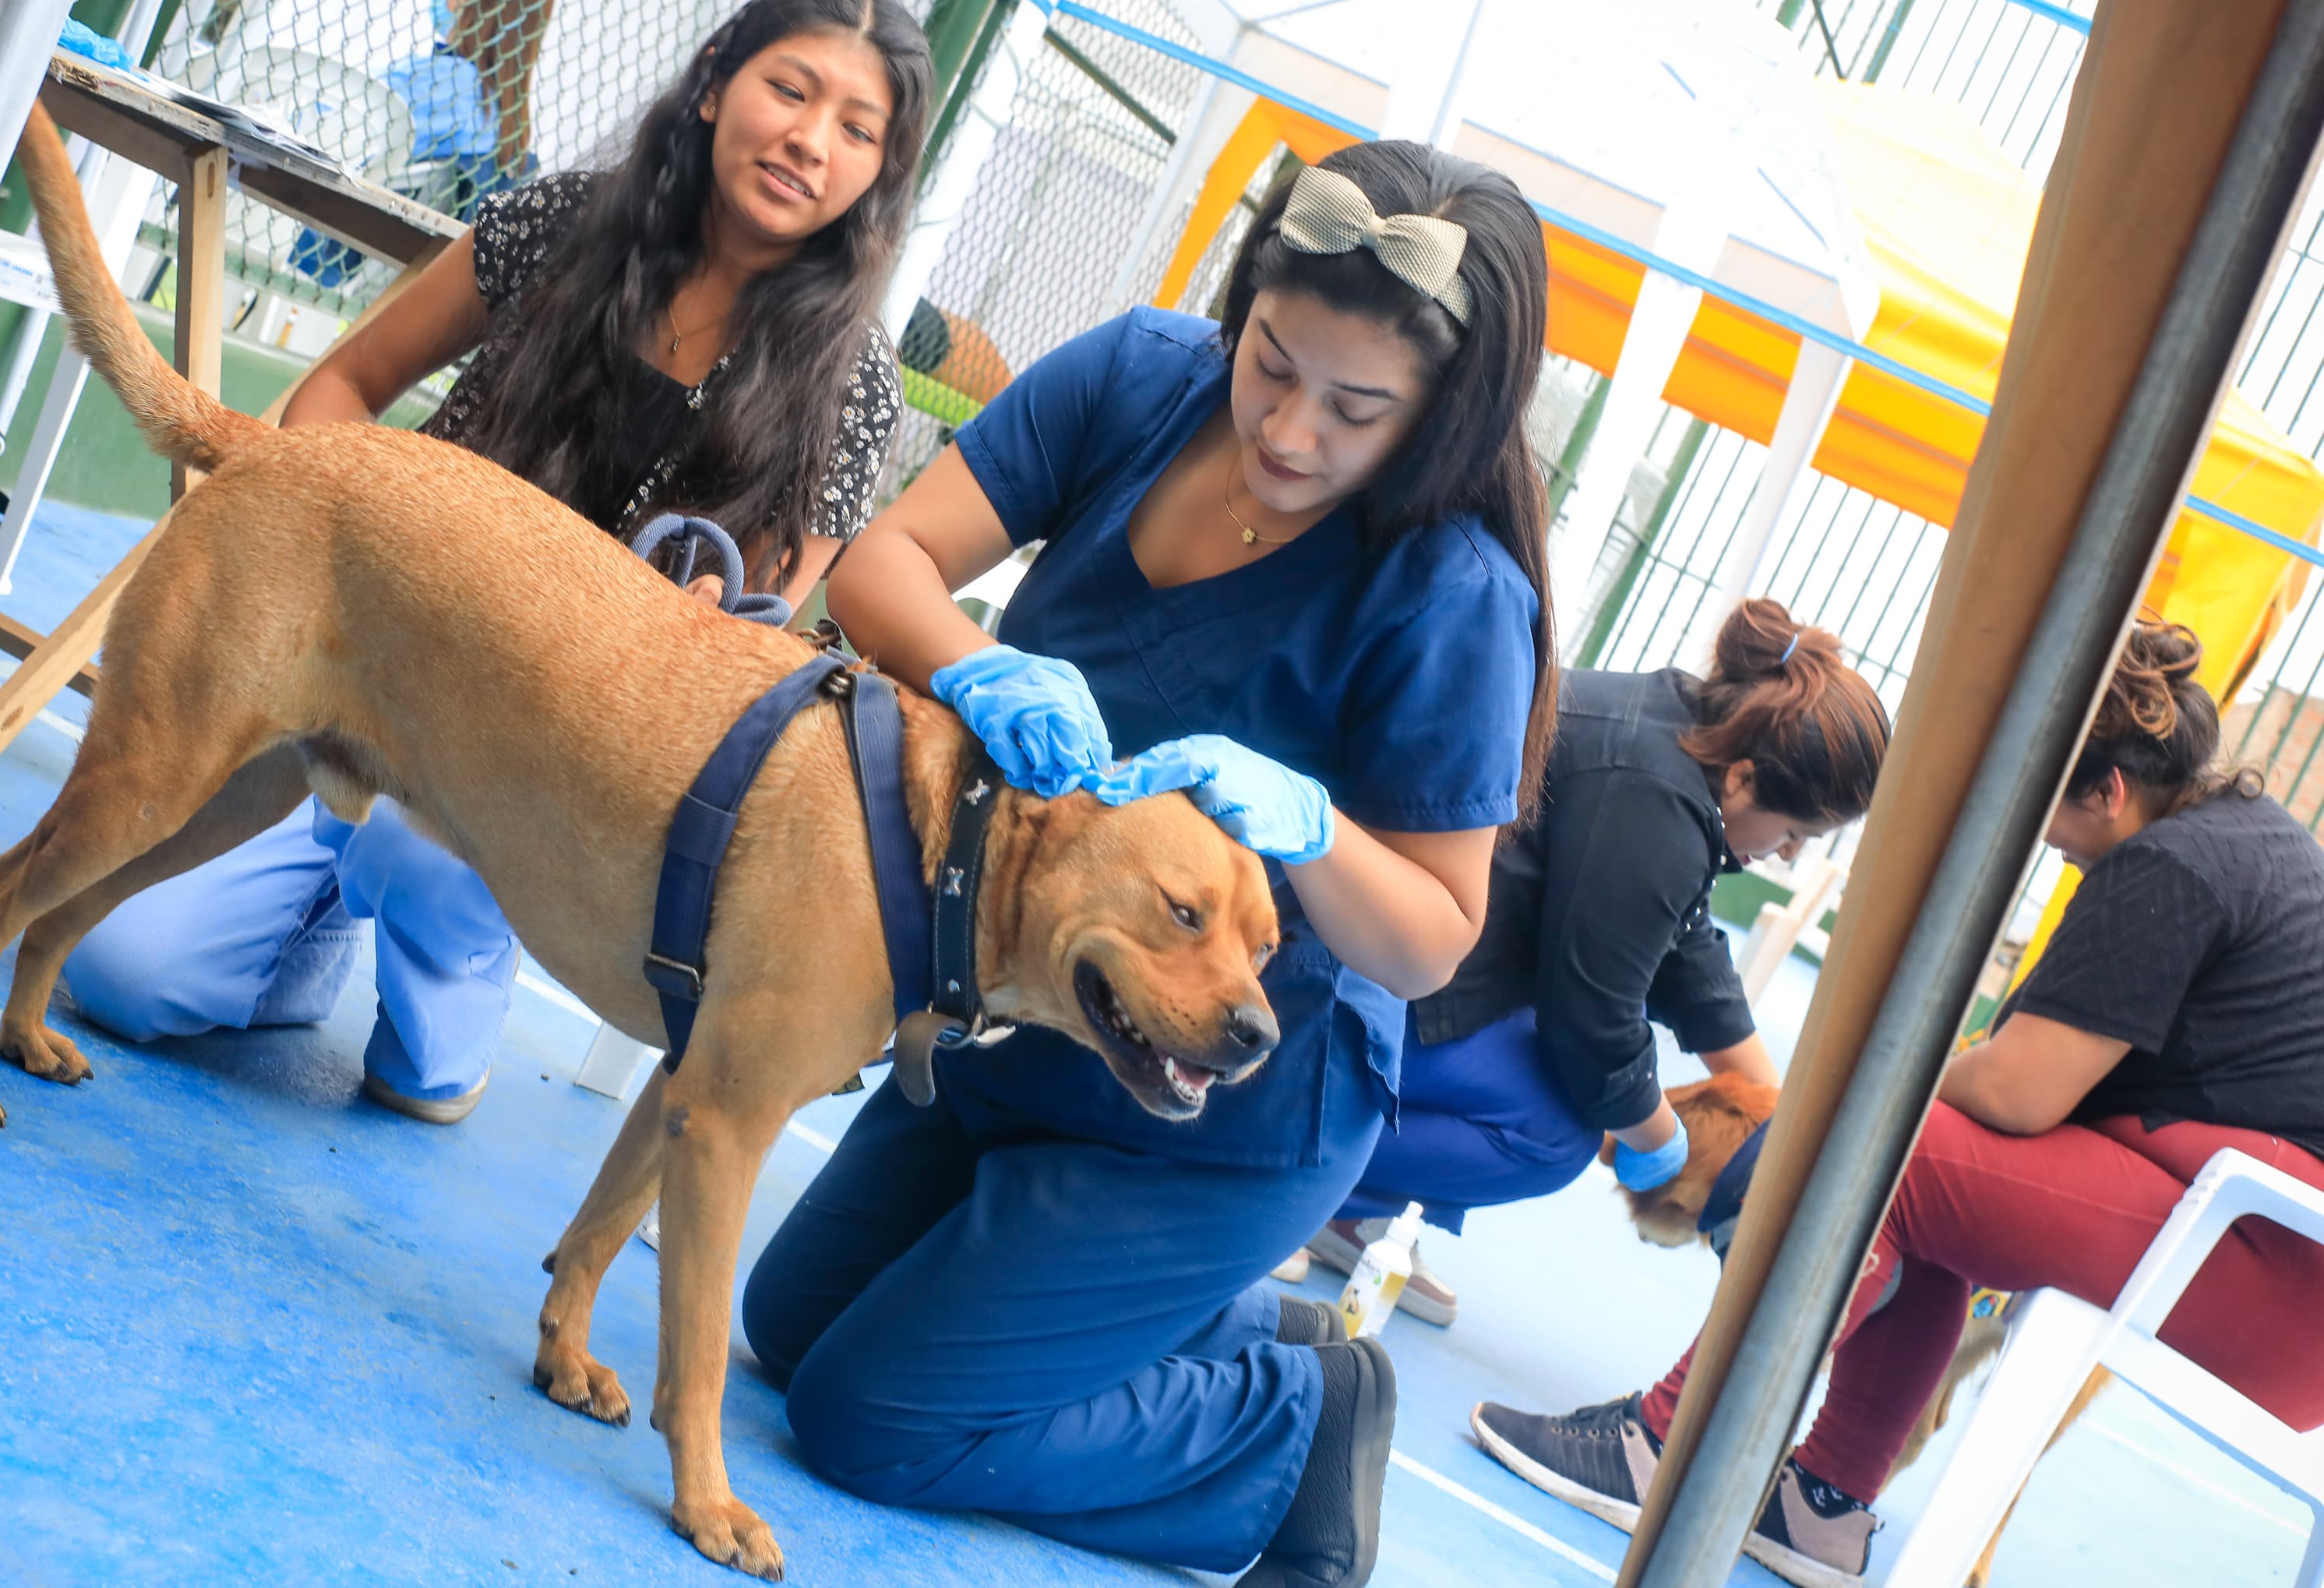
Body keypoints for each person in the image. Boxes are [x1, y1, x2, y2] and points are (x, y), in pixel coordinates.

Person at [742, 144, 1558, 1588]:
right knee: (794, 1322)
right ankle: (1223, 1327)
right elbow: (884, 568)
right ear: (1240, 310)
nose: (1293, 432)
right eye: (1272, 364)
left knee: (873, 1417)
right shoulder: (1135, 378)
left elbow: (1432, 939)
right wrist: (977, 667)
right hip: (1034, 1006)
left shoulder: (1454, 595)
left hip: (1234, 1103)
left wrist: (1308, 824)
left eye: (1359, 409)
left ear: (1442, 416)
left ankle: (1290, 1427)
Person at [52, 0, 929, 1123]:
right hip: (368, 670)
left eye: (858, 130)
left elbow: (751, 653)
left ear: (878, 174)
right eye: (791, 90)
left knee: (423, 905)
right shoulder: (562, 222)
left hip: (553, 782)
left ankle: (441, 1007)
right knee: (123, 979)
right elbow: (345, 386)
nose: (811, 142)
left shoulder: (850, 385)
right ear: (717, 80)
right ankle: (315, 927)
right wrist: (325, 546)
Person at [1473, 621, 2324, 1588]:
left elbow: (2017, 1087)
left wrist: (1871, 1081)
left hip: (2266, 1258)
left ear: (2110, 790)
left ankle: (1664, 1442)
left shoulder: (2169, 867)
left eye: (2044, 796)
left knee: (1869, 1142)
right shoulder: (2243, 836)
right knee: (1936, 1185)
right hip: (2272, 1249)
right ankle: (1820, 1507)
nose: (2034, 825)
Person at [1281, 599, 1890, 1323]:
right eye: (1797, 833)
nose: (1790, 853)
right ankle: (1272, 1169)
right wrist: (1658, 1138)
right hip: (1342, 968)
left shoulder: (1674, 732)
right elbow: (1592, 1025)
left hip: (1370, 945)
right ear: (1746, 780)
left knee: (1557, 1075)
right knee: (1552, 1134)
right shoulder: (1653, 800)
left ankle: (1338, 1205)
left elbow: (1682, 944)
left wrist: (1774, 1115)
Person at [295, 0, 559, 287]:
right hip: (391, 278)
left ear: (482, 0)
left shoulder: (438, 84)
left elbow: (324, 119)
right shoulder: (505, 129)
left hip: (317, 242)